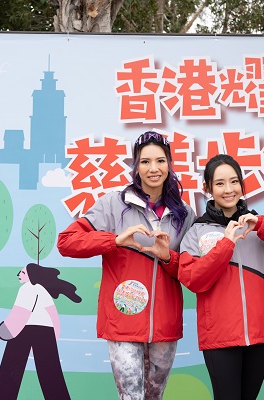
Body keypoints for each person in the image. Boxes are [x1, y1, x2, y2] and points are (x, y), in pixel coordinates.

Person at [57, 131, 196, 400]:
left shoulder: (184, 214)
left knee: (154, 396)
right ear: (135, 166)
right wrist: (114, 240)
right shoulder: (113, 203)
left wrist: (167, 257)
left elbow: (189, 270)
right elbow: (67, 242)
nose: (153, 169)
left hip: (165, 322)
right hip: (124, 317)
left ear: (169, 164)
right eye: (145, 162)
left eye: (160, 161)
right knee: (130, 397)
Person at [178, 154, 264, 400]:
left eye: (234, 182)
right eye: (220, 183)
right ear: (208, 188)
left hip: (261, 333)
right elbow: (194, 279)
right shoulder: (197, 231)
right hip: (220, 336)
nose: (229, 190)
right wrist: (226, 244)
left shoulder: (259, 228)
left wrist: (263, 226)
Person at [0, 263, 81, 400]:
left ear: (32, 276)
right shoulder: (43, 292)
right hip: (45, 332)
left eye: (23, 272)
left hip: (26, 331)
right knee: (52, 378)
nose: (19, 274)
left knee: (8, 379)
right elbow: (55, 322)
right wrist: (49, 343)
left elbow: (14, 324)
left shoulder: (28, 289)